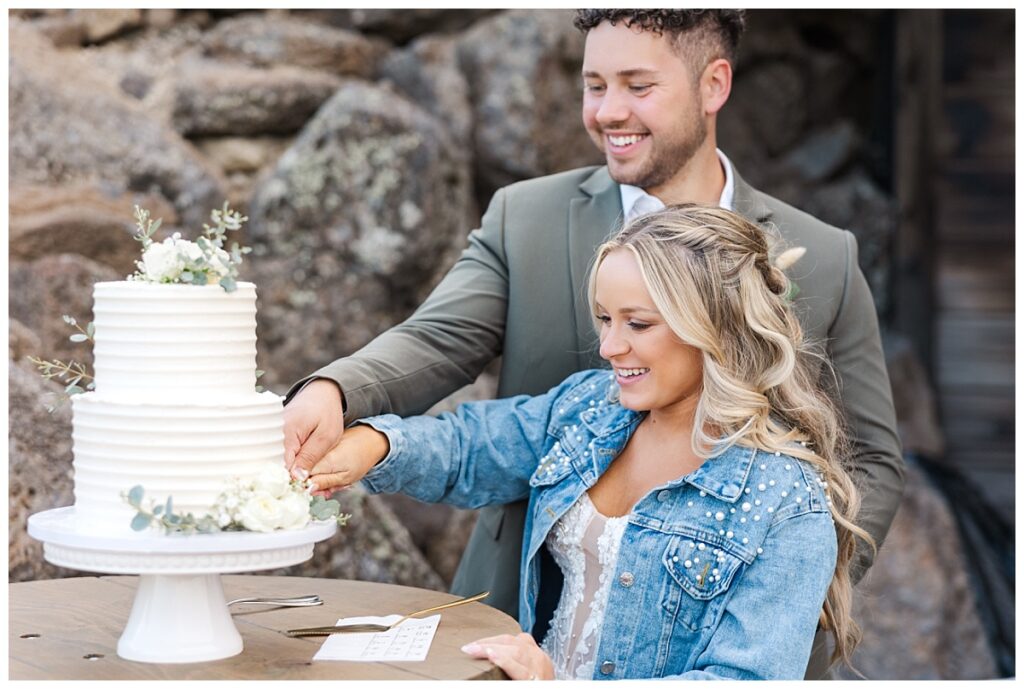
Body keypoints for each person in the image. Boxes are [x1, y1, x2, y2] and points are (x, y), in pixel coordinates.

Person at [283, 9, 903, 677]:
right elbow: (447, 363)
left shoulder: (826, 261)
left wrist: (800, 582)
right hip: (520, 624)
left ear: (713, 85)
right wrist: (337, 393)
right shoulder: (526, 221)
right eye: (593, 84)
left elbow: (870, 455)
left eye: (637, 86)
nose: (609, 111)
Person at [304, 205, 874, 680]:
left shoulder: (788, 503)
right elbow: (472, 445)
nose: (609, 346)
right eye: (604, 319)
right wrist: (373, 447)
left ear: (714, 327)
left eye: (638, 324)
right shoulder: (589, 408)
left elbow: (742, 682)